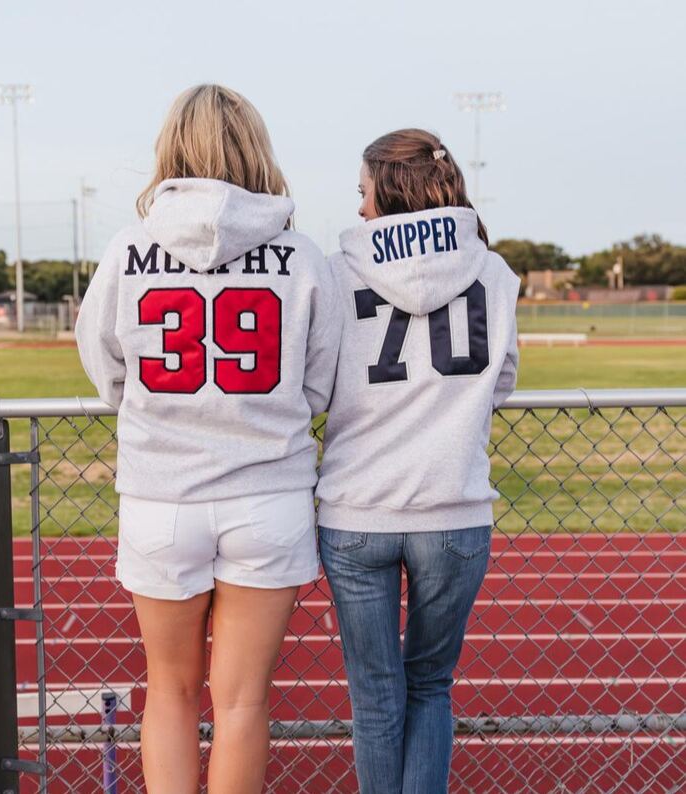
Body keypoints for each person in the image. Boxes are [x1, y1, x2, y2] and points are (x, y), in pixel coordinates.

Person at [75, 84, 342, 794]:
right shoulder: (302, 255)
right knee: (243, 702)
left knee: (169, 692)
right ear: (256, 148)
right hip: (269, 494)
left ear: (171, 148)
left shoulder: (128, 249)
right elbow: (320, 381)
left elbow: (106, 366)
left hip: (162, 496)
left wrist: (165, 414)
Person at [316, 128, 520, 794]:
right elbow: (502, 380)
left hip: (357, 509)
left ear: (390, 188)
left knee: (376, 696)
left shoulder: (337, 270)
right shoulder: (493, 271)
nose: (360, 208)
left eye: (364, 191)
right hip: (453, 505)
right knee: (430, 684)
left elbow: (316, 383)